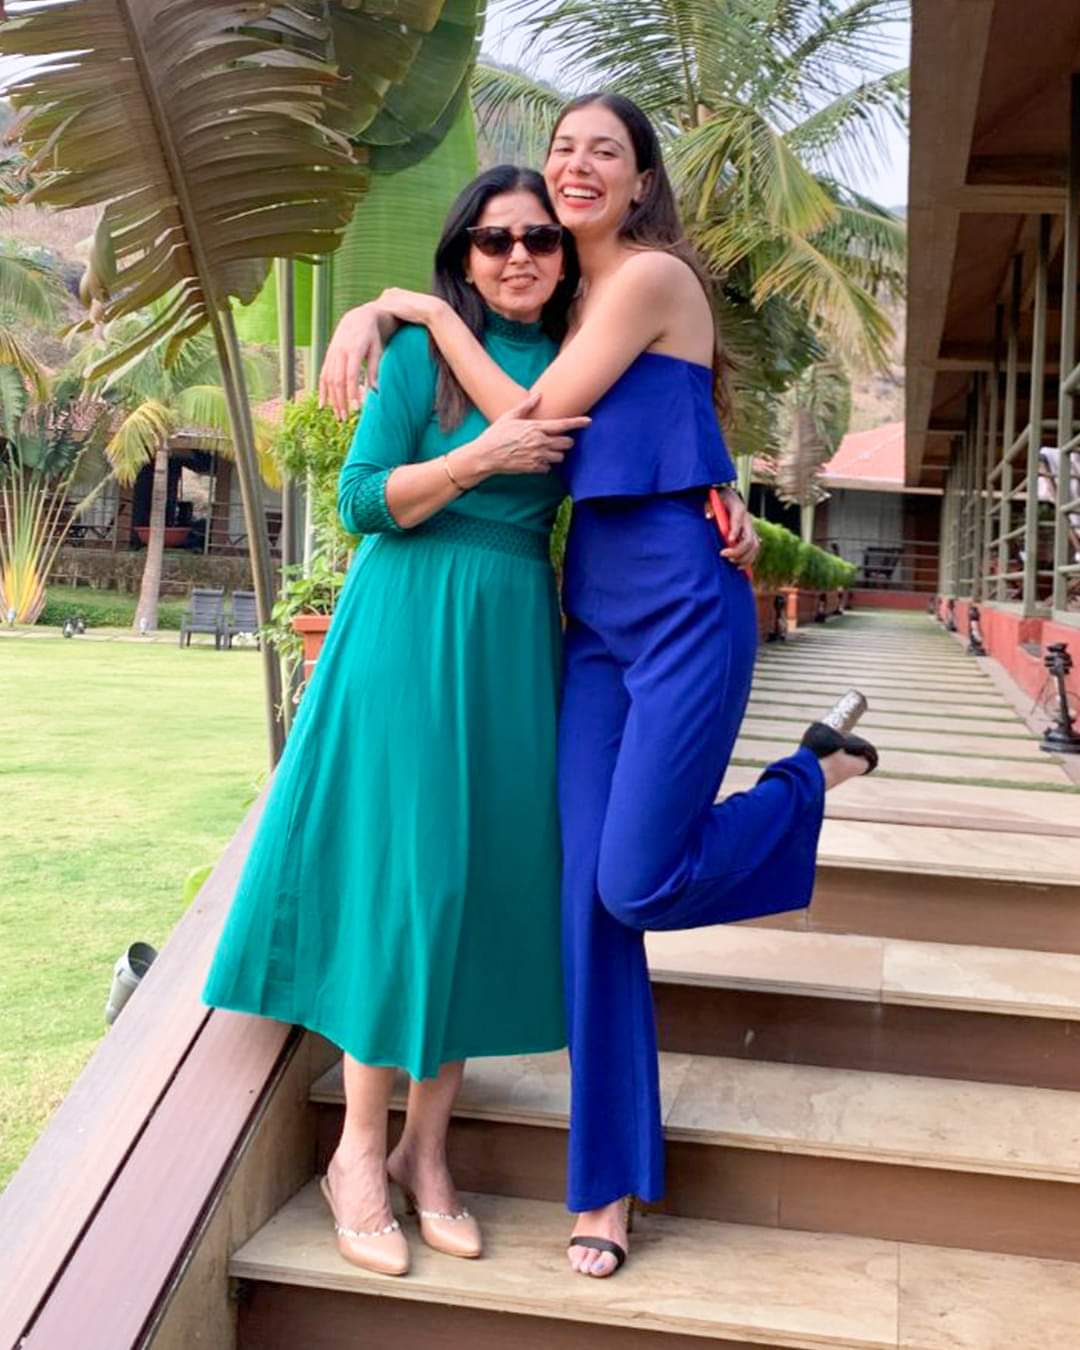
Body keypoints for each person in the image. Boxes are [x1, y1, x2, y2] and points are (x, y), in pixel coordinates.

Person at [320, 93, 877, 1279]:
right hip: (589, 617)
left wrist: (420, 306)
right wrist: (381, 311)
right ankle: (607, 1188)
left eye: (603, 153)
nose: (574, 170)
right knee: (588, 903)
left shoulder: (648, 277)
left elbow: (537, 418)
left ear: (640, 183)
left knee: (636, 879)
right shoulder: (567, 302)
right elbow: (648, 416)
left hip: (680, 605)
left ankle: (806, 779)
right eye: (563, 148)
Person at [203, 165, 589, 1278]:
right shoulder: (420, 357)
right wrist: (468, 455)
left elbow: (585, 440)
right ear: (464, 252)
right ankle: (358, 1153)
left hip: (513, 630)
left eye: (541, 239)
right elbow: (362, 499)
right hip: (410, 623)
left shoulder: (578, 355)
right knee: (409, 874)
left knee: (470, 877)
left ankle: (429, 1149)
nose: (519, 256)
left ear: (566, 256)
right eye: (493, 240)